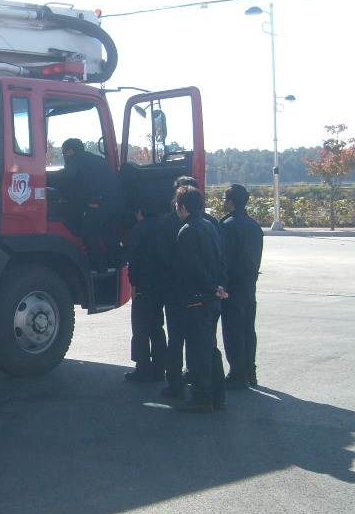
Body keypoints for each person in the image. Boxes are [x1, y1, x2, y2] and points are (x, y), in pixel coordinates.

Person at [158, 175, 225, 398]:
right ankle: (216, 393)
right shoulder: (211, 223)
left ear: (180, 203)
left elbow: (179, 261)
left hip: (183, 291)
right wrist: (218, 286)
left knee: (178, 340)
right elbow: (221, 257)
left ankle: (179, 385)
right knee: (207, 343)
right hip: (208, 291)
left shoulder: (174, 224)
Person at [50, 137, 127, 270]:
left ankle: (98, 266)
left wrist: (45, 177)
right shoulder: (96, 159)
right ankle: (119, 263)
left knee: (89, 230)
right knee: (107, 230)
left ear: (70, 151)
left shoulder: (75, 159)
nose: (64, 156)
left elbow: (68, 176)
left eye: (63, 152)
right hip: (117, 200)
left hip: (100, 201)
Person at [220, 184, 264, 389]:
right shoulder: (254, 225)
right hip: (249, 284)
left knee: (233, 331)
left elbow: (225, 260)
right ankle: (250, 371)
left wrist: (221, 284)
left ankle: (237, 373)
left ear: (231, 202)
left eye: (224, 199)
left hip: (233, 286)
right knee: (248, 329)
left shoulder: (228, 225)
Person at [125, 198, 168, 382]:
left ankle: (142, 369)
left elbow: (134, 259)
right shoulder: (164, 227)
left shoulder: (139, 229)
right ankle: (159, 368)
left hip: (143, 284)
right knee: (157, 327)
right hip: (161, 284)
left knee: (140, 329)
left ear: (140, 212)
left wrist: (133, 283)